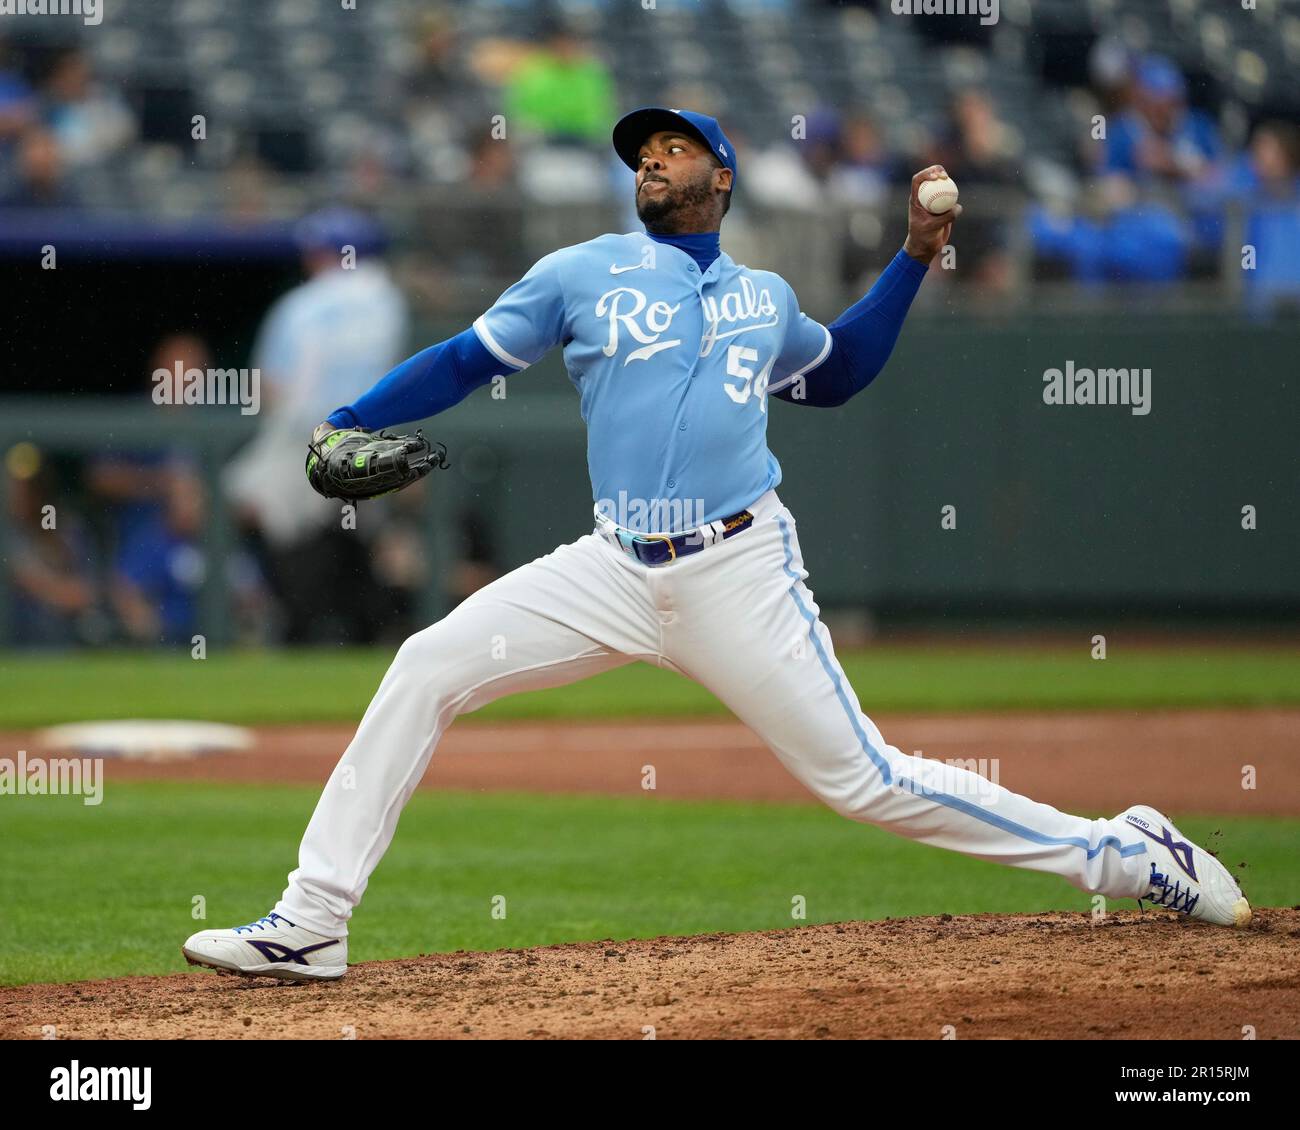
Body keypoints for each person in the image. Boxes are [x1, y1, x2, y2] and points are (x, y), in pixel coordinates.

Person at [183, 108, 1250, 982]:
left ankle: (1123, 852)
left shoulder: (764, 297)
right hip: (608, 566)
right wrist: (350, 419)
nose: (652, 161)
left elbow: (835, 376)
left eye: (674, 148)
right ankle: (312, 919)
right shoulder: (583, 271)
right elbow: (467, 358)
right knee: (424, 666)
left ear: (722, 176)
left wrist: (915, 259)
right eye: (642, 154)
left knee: (865, 778)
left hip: (739, 566)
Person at [222, 206, 409, 643]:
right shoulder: (388, 300)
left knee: (228, 506)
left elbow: (272, 388)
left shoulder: (301, 304)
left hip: (301, 440)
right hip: (369, 441)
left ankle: (268, 626)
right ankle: (365, 634)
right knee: (358, 542)